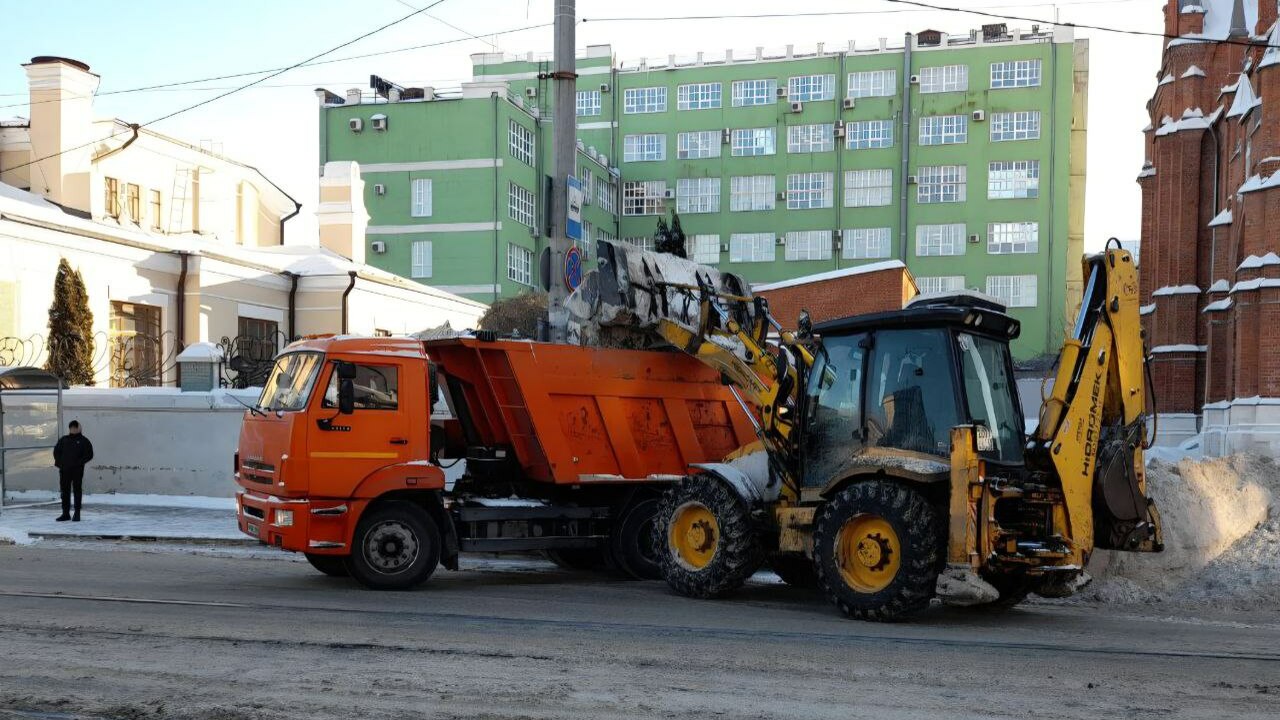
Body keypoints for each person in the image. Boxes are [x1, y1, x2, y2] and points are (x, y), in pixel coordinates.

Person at [52, 420, 93, 522]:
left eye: (75, 427)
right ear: (69, 429)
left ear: (79, 428)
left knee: (77, 491)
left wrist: (79, 463)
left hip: (77, 471)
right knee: (65, 492)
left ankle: (77, 513)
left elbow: (89, 454)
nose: (74, 429)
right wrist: (60, 464)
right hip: (64, 470)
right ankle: (65, 513)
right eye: (72, 428)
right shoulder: (64, 440)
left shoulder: (84, 441)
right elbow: (56, 452)